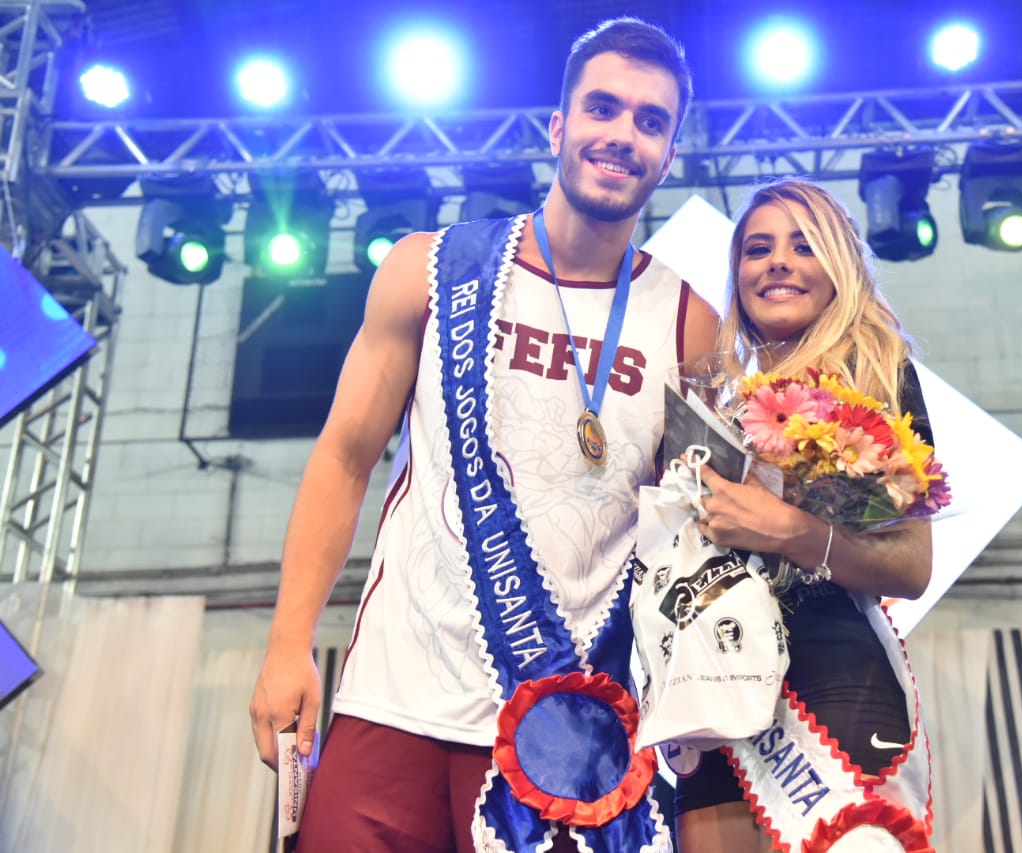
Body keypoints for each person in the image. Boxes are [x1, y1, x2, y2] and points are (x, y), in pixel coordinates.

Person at [248, 17, 718, 853]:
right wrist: (289, 646)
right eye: (603, 109)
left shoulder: (689, 324)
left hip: (571, 739)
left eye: (652, 122)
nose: (623, 135)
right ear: (559, 126)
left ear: (670, 152)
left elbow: (703, 538)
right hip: (394, 702)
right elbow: (345, 458)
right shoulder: (427, 267)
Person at [674, 177, 934, 850]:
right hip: (713, 688)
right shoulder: (706, 402)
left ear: (838, 267)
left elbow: (911, 566)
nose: (778, 261)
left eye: (804, 245)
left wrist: (793, 531)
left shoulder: (878, 380)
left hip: (835, 680)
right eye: (757, 247)